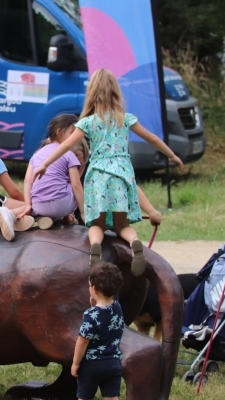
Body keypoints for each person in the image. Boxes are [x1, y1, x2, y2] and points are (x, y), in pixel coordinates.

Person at [32, 69, 183, 275]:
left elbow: (67, 144)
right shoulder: (125, 119)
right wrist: (172, 155)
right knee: (122, 225)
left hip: (98, 177)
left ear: (92, 93)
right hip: (121, 175)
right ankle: (135, 242)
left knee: (98, 224)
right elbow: (152, 138)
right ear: (115, 92)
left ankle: (95, 246)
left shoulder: (87, 122)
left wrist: (45, 164)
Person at [17, 114, 84, 230]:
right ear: (59, 132)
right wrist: (83, 212)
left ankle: (43, 217)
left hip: (38, 206)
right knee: (70, 183)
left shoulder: (36, 154)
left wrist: (28, 205)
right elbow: (76, 185)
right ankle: (65, 216)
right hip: (62, 206)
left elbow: (28, 180)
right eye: (72, 133)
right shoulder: (69, 154)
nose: (76, 137)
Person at [71, 261, 124, 400]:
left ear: (94, 289)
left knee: (85, 397)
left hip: (92, 365)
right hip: (113, 362)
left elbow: (82, 341)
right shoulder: (117, 307)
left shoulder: (90, 315)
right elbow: (106, 317)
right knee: (112, 397)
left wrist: (76, 363)